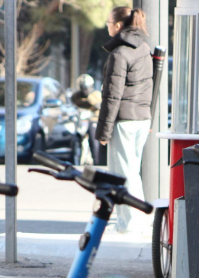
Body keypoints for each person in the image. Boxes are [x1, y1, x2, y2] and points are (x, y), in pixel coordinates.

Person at [96, 6, 153, 234]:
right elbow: (151, 85)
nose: (107, 26)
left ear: (118, 26)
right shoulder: (144, 47)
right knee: (132, 172)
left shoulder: (119, 53)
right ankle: (137, 220)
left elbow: (112, 96)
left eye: (109, 22)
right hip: (141, 119)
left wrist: (103, 131)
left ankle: (128, 223)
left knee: (123, 173)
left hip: (125, 121)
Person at [71, 74, 104, 165]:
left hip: (93, 120)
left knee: (94, 140)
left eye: (86, 88)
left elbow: (98, 105)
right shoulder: (76, 96)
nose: (85, 90)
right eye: (83, 88)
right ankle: (75, 159)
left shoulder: (95, 95)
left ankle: (97, 161)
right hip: (81, 121)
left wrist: (90, 100)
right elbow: (73, 103)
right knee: (75, 138)